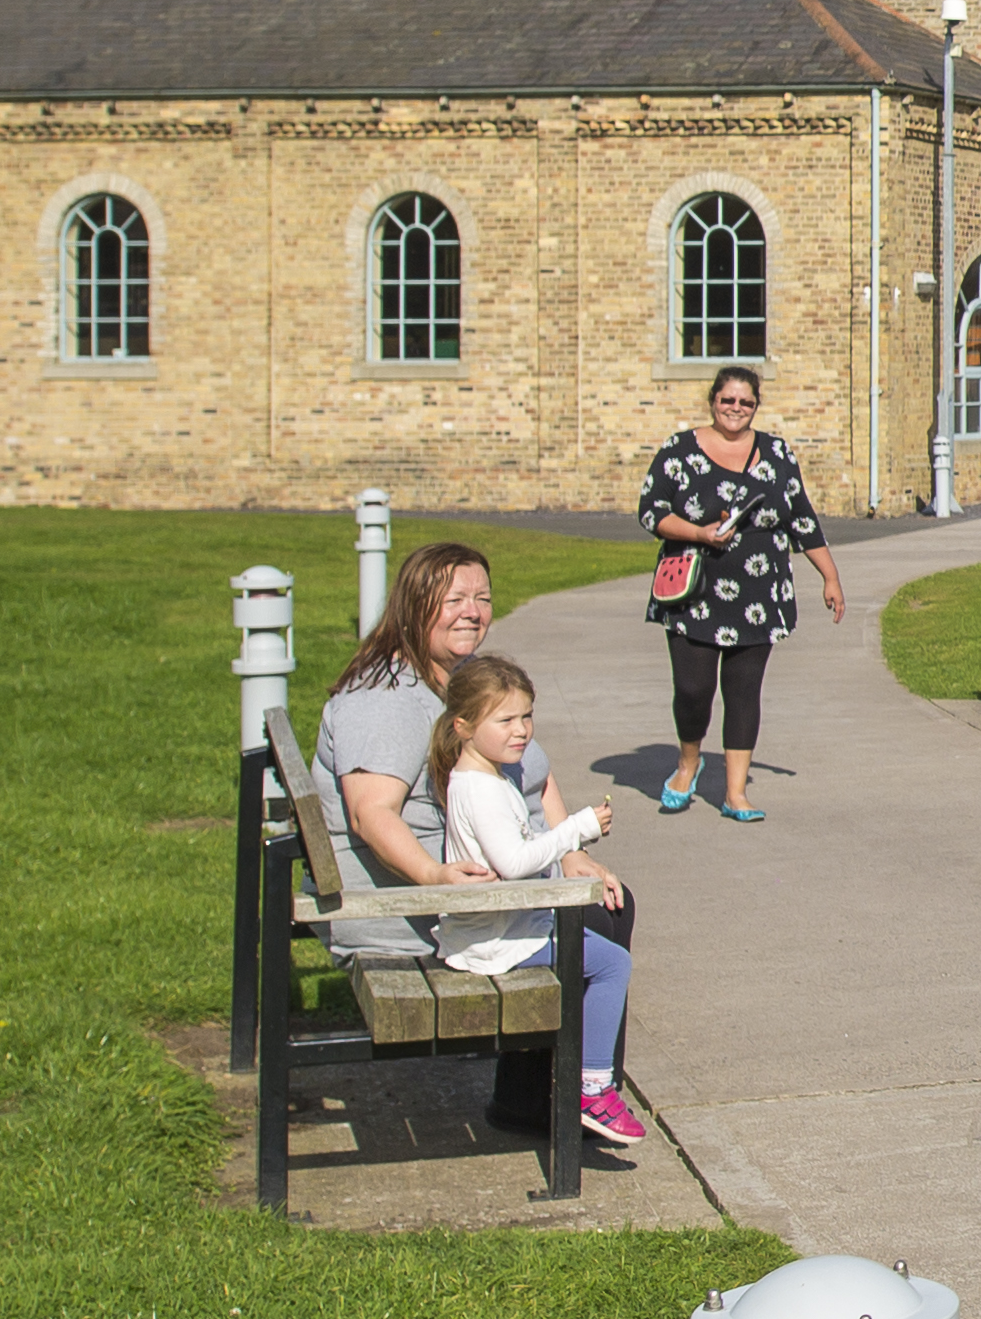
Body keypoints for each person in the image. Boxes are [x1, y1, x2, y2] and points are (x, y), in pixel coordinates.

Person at [316, 541, 639, 1139]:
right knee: (596, 929)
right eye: (455, 598)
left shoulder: (460, 682)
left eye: (483, 598)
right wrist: (434, 877)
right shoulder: (386, 699)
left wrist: (572, 853)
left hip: (481, 896)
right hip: (408, 913)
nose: (473, 611)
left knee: (605, 901)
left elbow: (535, 774)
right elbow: (370, 814)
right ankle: (572, 1103)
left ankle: (540, 1101)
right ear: (414, 605)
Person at [421, 655, 646, 1146]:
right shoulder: (480, 789)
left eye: (526, 717)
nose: (520, 731)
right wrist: (575, 831)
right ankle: (592, 1087)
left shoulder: (485, 776)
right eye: (504, 720)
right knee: (611, 966)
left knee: (601, 947)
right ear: (463, 726)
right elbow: (515, 862)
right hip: (496, 942)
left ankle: (583, 1084)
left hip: (502, 930)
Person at [639, 363, 844, 821]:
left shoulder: (775, 453)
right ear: (713, 400)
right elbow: (650, 512)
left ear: (756, 406)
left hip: (759, 591)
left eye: (745, 402)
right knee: (693, 690)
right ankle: (688, 762)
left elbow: (801, 518)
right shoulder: (679, 450)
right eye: (727, 400)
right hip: (693, 589)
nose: (736, 408)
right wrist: (698, 532)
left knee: (744, 691)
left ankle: (735, 793)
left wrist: (829, 576)